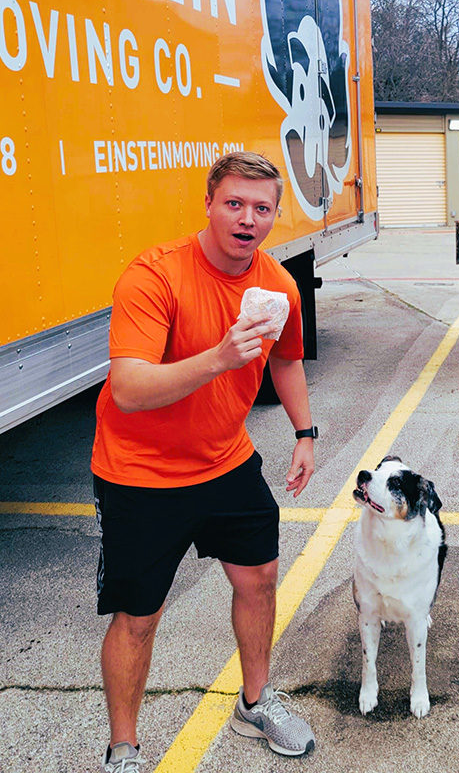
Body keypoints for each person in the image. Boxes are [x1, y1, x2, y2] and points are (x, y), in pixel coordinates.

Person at [91, 151, 318, 773]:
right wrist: (218, 358)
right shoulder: (154, 275)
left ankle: (255, 700)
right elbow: (130, 388)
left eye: (262, 208)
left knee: (260, 579)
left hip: (226, 461)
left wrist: (304, 432)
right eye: (234, 204)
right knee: (138, 617)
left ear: (275, 214)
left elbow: (287, 359)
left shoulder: (277, 283)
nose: (248, 219)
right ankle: (124, 749)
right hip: (140, 474)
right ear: (210, 204)